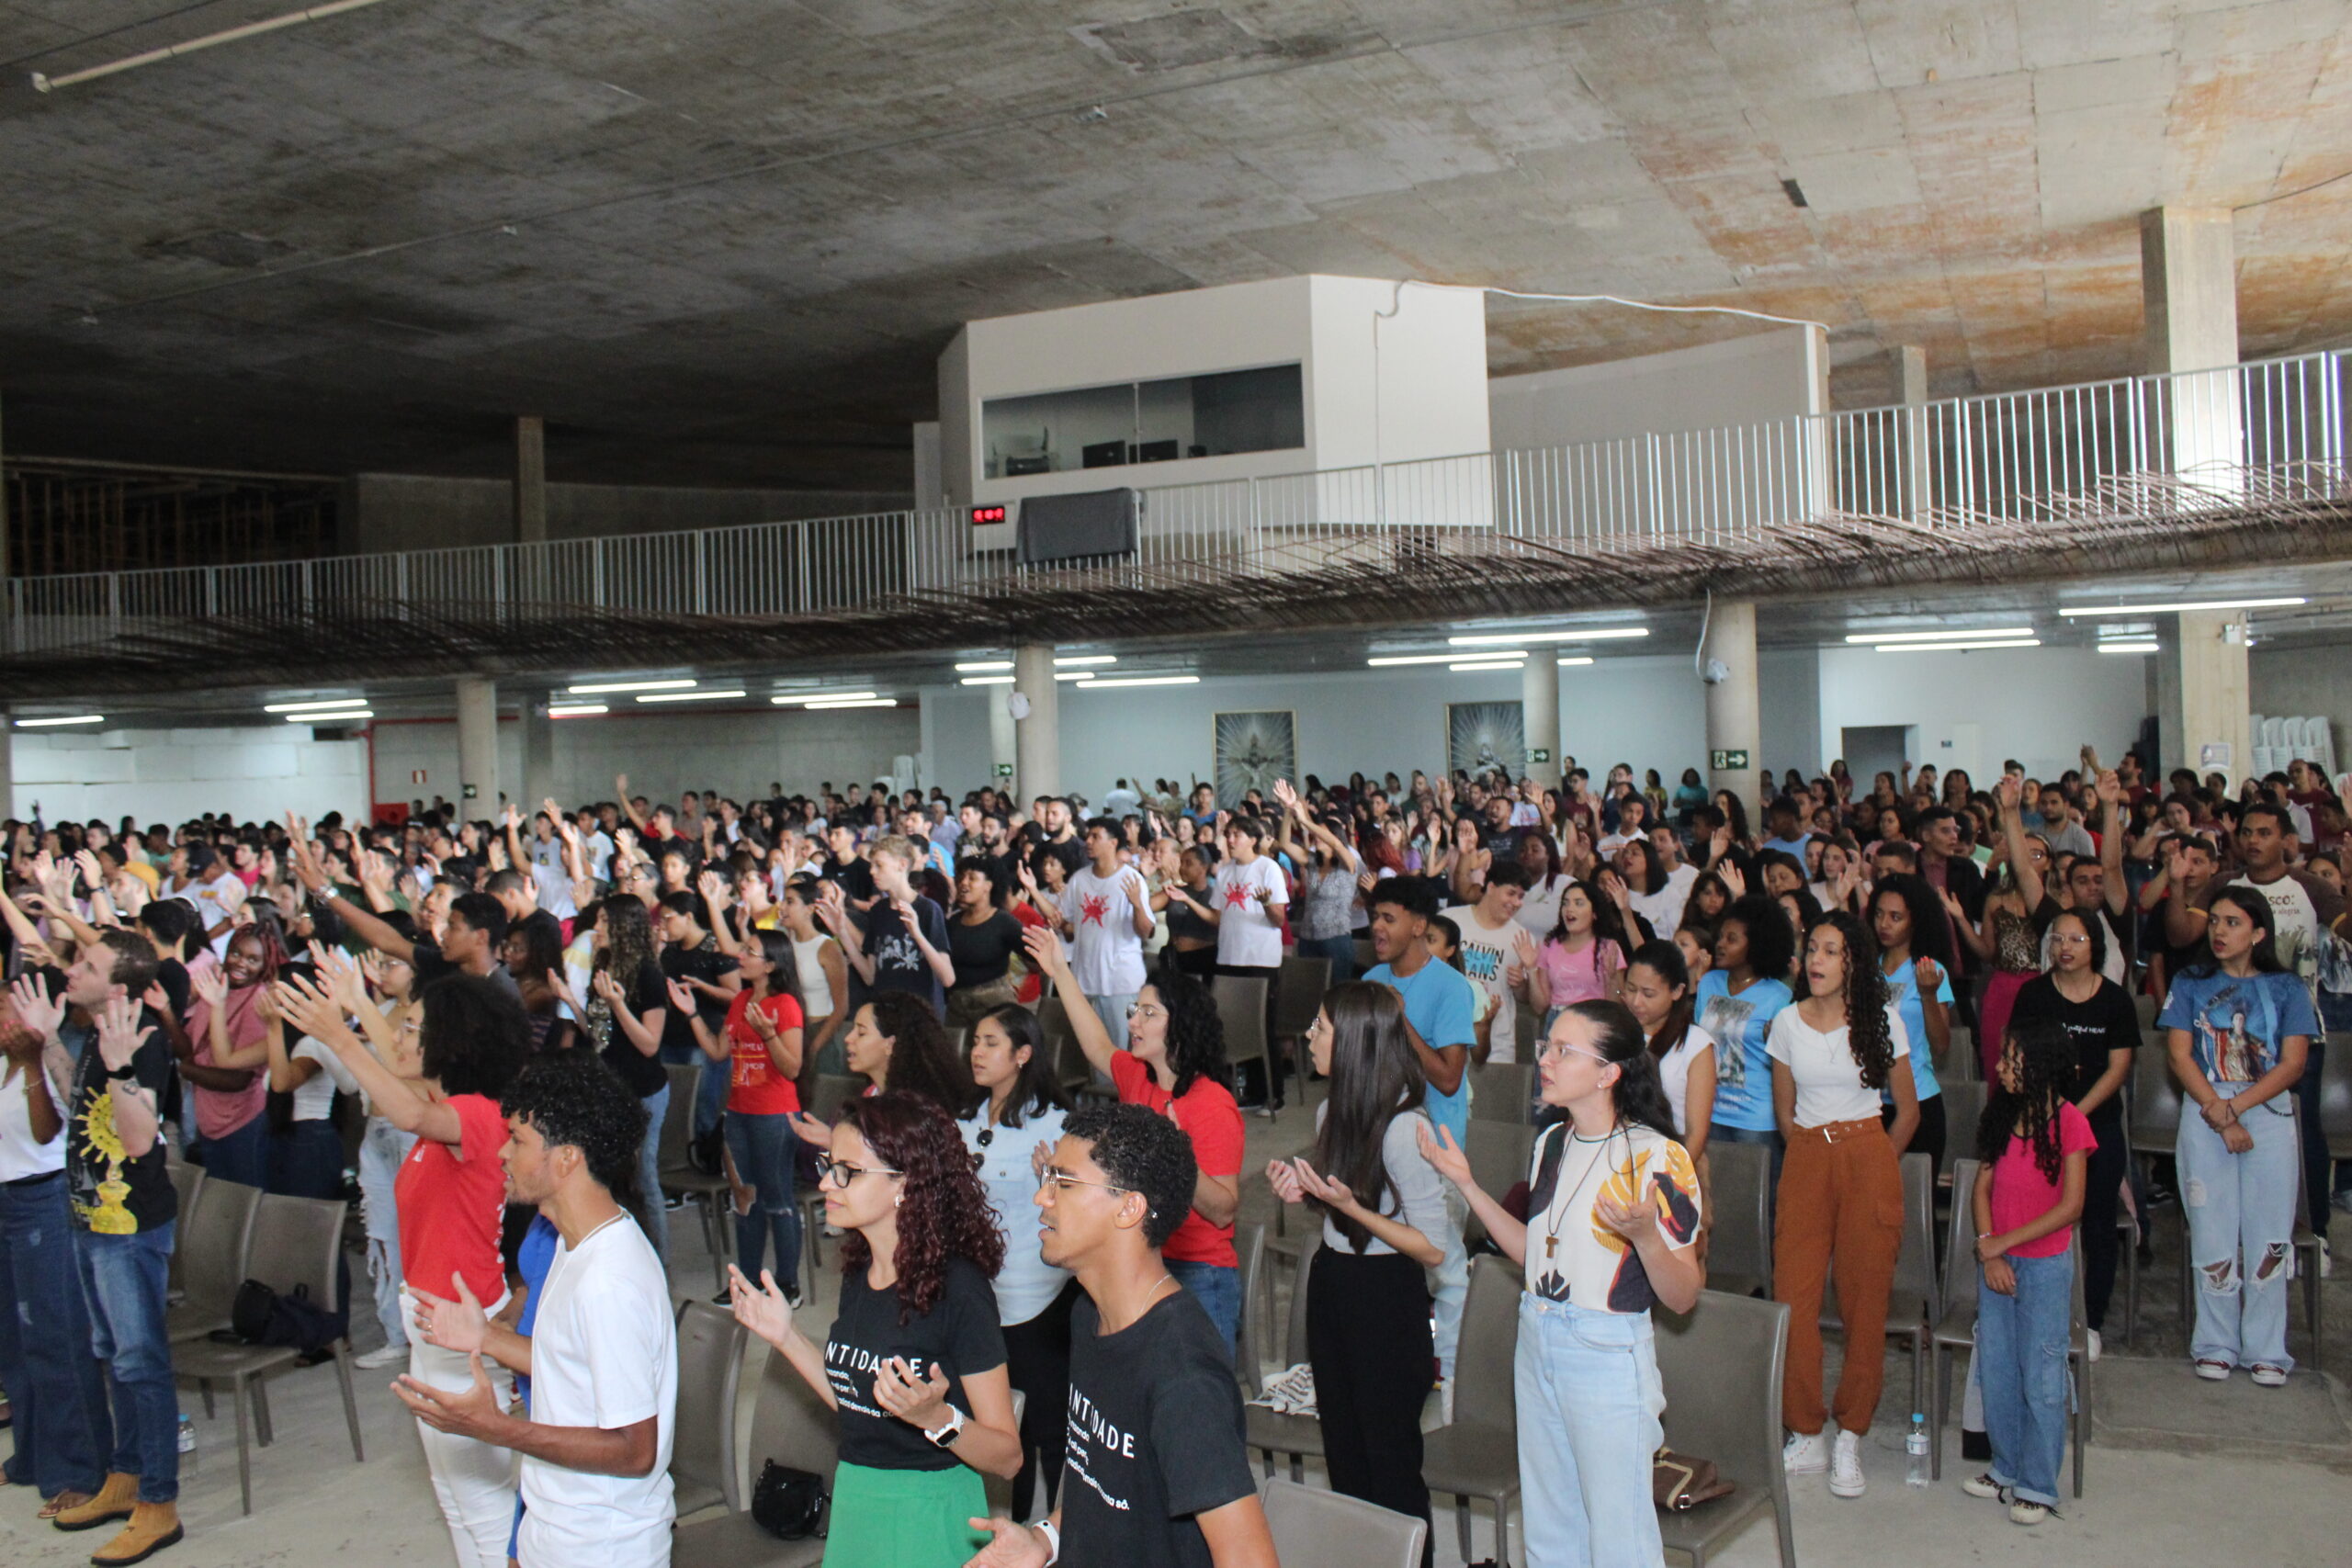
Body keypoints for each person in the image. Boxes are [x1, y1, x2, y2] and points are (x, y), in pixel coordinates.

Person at [1417, 1001, 1702, 1568]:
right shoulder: (1552, 1142)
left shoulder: (1657, 1156)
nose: (1545, 1059)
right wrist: (1467, 1185)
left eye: (1563, 1050)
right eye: (1547, 1046)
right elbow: (1532, 1254)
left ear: (1608, 1073)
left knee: (1620, 1537)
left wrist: (1647, 1237)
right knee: (1549, 1526)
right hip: (1538, 1331)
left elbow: (1684, 1295)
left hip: (1606, 1350)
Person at [274, 969, 530, 1568]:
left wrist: (340, 1036)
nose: (397, 1038)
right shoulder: (441, 1108)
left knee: (485, 1508)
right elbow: (398, 1074)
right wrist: (356, 1003)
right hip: (433, 1334)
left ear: (451, 1046)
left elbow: (410, 1111)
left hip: (466, 1337)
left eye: (413, 1027)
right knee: (456, 1501)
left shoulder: (476, 1115)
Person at [963, 1103, 1278, 1568]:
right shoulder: (1089, 1315)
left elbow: (1249, 1556)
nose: (1041, 1199)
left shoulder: (1182, 1373)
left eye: (1063, 1184)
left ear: (1130, 1208)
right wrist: (1045, 1539)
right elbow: (1107, 1481)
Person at [401, 1055, 675, 1568]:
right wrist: (485, 1336)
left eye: (517, 1141)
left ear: (567, 1158)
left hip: (603, 1546)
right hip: (555, 1525)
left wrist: (494, 1429)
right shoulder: (572, 1246)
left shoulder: (609, 1281)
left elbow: (634, 1449)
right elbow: (569, 1362)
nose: (501, 1153)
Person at [729, 1093, 1021, 1564]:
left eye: (848, 1170)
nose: (826, 1181)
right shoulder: (859, 1272)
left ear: (904, 1184)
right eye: (829, 1164)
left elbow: (1008, 1457)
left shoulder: (959, 1288)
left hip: (927, 1512)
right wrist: (786, 1336)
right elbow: (860, 1405)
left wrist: (937, 1419)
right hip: (858, 1498)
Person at [1264, 983, 1454, 1561]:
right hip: (1334, 1284)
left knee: (1390, 1464)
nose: (1310, 1037)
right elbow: (1348, 1203)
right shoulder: (1332, 1108)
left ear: (1356, 1043)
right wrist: (1310, 1193)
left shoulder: (1404, 1127)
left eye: (1321, 1028)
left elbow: (1433, 1248)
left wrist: (1350, 1208)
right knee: (1343, 1452)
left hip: (1385, 1299)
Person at [16, 932, 186, 1562]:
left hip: (131, 1229)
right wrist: (51, 1039)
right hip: (92, 1219)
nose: (70, 969)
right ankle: (125, 1476)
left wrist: (118, 1066)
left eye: (85, 965)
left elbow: (140, 1141)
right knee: (112, 1355)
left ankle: (158, 1503)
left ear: (118, 986)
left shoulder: (140, 1039)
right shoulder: (97, 1029)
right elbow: (75, 1102)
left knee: (142, 1364)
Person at [1022, 925, 1245, 1355]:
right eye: (1134, 1010)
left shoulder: (1210, 1103)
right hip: (1142, 1254)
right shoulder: (1137, 1076)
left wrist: (1178, 1152)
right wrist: (1061, 971)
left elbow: (1223, 1210)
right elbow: (1095, 1044)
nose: (1133, 1022)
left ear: (1179, 1027)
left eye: (1148, 1014)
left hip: (1198, 1268)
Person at [1771, 909, 1917, 1499]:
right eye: (1812, 950)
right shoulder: (1785, 1021)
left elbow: (1908, 1109)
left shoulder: (1881, 1019)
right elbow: (1783, 1111)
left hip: (1867, 1155)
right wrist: (1813, 1148)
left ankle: (1851, 1433)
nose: (1817, 961)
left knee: (1864, 1300)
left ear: (1852, 960)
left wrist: (1876, 1157)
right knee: (1795, 1297)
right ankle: (1806, 1432)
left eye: (1831, 951)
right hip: (1807, 1154)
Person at [2159, 886, 2316, 1384]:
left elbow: (2293, 1063)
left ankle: (2268, 1347)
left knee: (2269, 1233)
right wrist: (2220, 1114)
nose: (2220, 932)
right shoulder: (2189, 982)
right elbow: (2180, 1054)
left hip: (2265, 1111)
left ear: (2259, 932)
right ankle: (2215, 1341)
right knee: (2212, 1230)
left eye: (2233, 923)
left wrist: (2237, 1111)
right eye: (2216, 922)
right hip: (2206, 1110)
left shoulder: (2288, 987)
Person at [1962, 1020, 2093, 1528]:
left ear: (2039, 1067)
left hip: (2043, 1268)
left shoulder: (2071, 1124)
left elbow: (2072, 1206)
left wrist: (2005, 1244)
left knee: (2040, 1375)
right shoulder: (2003, 1116)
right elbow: (1980, 1191)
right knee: (1997, 1369)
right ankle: (2006, 1467)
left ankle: (2038, 1484)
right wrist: (1988, 1252)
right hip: (1998, 1264)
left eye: (2010, 1060)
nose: (1998, 1068)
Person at [956, 1004, 1075, 1521]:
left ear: (1023, 1054)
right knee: (1002, 1427)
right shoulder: (965, 1118)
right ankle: (1009, 1527)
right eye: (975, 1042)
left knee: (1049, 1427)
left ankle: (1058, 1532)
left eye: (989, 1043)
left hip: (1037, 1300)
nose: (976, 1053)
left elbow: (1075, 1211)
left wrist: (1055, 1181)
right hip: (980, 1299)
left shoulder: (1054, 1124)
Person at [0, 970, 110, 1523]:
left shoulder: (52, 1057)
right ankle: (32, 1455)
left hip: (41, 1199)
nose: (4, 1024)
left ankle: (80, 1470)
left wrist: (26, 1061)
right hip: (2, 1201)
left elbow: (45, 1133)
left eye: (10, 1012)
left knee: (57, 1339)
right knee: (14, 1341)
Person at [2008, 908, 2138, 1343]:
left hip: (2094, 1124)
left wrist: (2074, 1114)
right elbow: (2018, 1058)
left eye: (2076, 940)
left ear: (2095, 946)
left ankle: (2092, 1321)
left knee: (2097, 1221)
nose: (2065, 948)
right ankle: (2031, 1311)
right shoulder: (2033, 996)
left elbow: (2119, 1066)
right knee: (2035, 1219)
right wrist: (2049, 1115)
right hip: (2036, 1125)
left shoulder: (2115, 1001)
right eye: (2057, 939)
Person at [674, 927, 805, 1303]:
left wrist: (767, 1035)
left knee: (778, 1198)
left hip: (774, 1114)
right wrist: (692, 1014)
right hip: (739, 1112)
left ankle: (787, 1284)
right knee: (744, 1199)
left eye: (750, 952)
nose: (740, 957)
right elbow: (718, 1051)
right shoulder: (741, 1000)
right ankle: (746, 1282)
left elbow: (792, 1068)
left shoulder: (785, 1006)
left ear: (771, 964)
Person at [586, 896, 673, 1261]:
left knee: (643, 1176)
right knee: (611, 1175)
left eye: (605, 921)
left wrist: (619, 1003)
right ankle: (621, 1254)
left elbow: (649, 1044)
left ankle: (660, 1260)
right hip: (610, 1088)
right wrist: (573, 1003)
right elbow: (599, 1033)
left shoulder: (649, 975)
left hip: (643, 1089)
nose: (598, 928)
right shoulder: (604, 965)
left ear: (624, 926)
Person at [1033, 818, 1152, 1050]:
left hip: (1122, 983)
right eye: (1087, 836)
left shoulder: (1132, 879)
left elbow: (1145, 931)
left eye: (1095, 837)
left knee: (1124, 1048)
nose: (1087, 841)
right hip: (1084, 981)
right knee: (1087, 1049)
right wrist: (1059, 924)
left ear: (1113, 843)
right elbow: (1069, 931)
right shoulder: (1079, 880)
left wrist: (1137, 904)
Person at [1697, 895, 1796, 1168]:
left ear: (1756, 946)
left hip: (1757, 1117)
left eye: (1732, 939)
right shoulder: (1708, 983)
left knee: (1761, 1201)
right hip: (1712, 1111)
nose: (1720, 944)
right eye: (1721, 936)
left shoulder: (1779, 996)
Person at [181, 926, 279, 1188]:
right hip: (207, 1116)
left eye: (252, 959)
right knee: (218, 1194)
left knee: (244, 1198)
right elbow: (192, 1046)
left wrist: (187, 1071)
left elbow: (238, 1078)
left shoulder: (258, 1000)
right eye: (236, 953)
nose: (241, 963)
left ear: (264, 964)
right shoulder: (219, 987)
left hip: (241, 1119)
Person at [1869, 874, 1953, 1169]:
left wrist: (1928, 994)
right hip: (1869, 1101)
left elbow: (1941, 1045)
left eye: (1895, 917)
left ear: (1915, 921)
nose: (1884, 924)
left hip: (1918, 1099)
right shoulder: (1866, 968)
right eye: (1879, 914)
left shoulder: (1929, 970)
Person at [826, 836, 956, 1019]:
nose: (872, 871)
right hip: (887, 1014)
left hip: (921, 1016)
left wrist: (917, 934)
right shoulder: (879, 911)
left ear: (902, 864)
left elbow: (948, 978)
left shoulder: (927, 909)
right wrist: (841, 932)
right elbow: (870, 976)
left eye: (879, 865)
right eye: (872, 865)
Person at [1444, 862, 1533, 1065]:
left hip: (1497, 1046)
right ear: (1491, 887)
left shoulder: (1522, 938)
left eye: (1521, 897)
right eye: (1511, 893)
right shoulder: (1452, 920)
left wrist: (1521, 984)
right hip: (1446, 1038)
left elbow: (1524, 997)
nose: (1517, 902)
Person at [1528, 882, 1629, 1030]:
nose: (1570, 909)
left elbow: (1616, 1005)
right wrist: (1531, 969)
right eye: (1565, 903)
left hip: (1593, 1022)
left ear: (1595, 913)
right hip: (1557, 1020)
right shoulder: (1551, 944)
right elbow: (1539, 1007)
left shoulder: (1608, 947)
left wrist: (1612, 977)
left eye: (1579, 903)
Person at [944, 860, 1028, 1029]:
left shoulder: (1004, 922)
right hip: (956, 1006)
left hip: (994, 1005)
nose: (963, 883)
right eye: (961, 878)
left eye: (972, 878)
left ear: (988, 886)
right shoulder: (953, 921)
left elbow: (1034, 958)